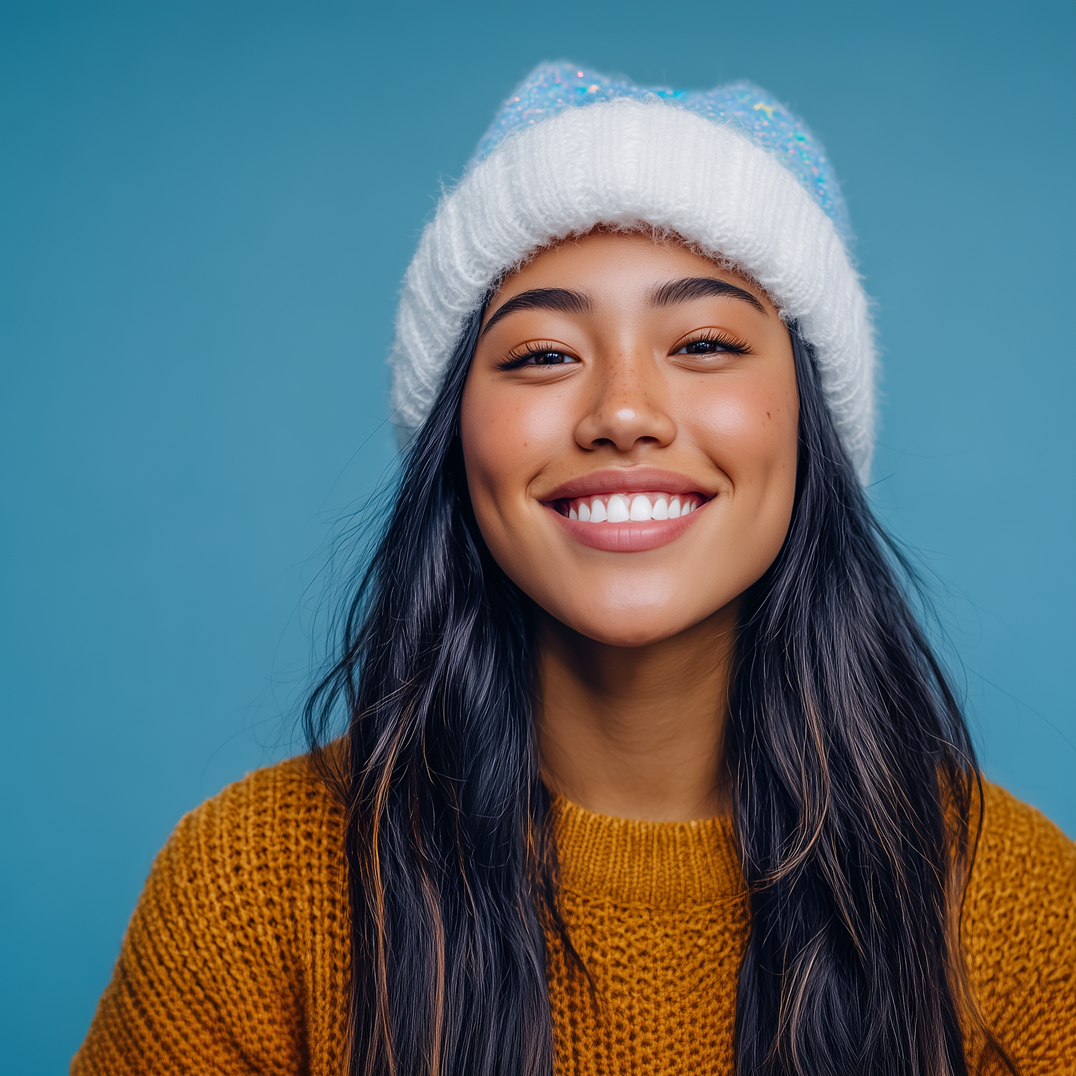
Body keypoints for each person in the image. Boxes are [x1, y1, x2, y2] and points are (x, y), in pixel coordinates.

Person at [73, 63, 1074, 1076]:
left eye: (702, 340)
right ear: (454, 438)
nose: (623, 412)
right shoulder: (248, 889)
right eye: (544, 355)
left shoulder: (1014, 906)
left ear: (810, 424)